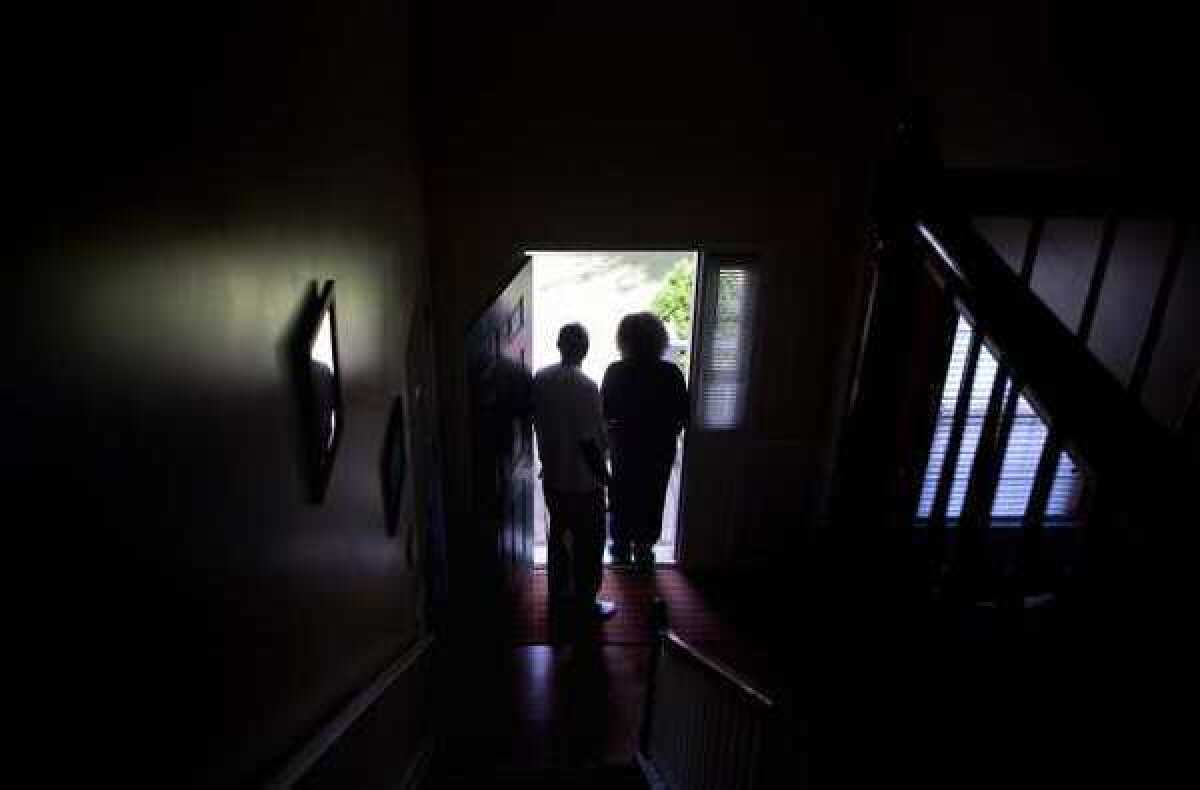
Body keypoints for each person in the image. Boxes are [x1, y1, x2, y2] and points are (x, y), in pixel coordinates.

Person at [532, 323, 617, 620]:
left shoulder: (540, 379)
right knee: (588, 545)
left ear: (558, 344)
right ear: (585, 349)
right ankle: (585, 602)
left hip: (554, 476)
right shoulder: (586, 387)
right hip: (583, 482)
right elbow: (587, 442)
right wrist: (606, 478)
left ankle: (558, 596)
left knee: (559, 537)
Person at [602, 312, 688, 571]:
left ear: (624, 340)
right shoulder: (671, 373)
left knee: (621, 494)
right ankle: (643, 548)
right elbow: (683, 415)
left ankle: (619, 547)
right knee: (653, 495)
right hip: (659, 447)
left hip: (624, 445)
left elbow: (604, 411)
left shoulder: (615, 371)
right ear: (659, 340)